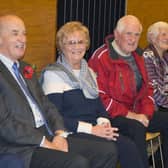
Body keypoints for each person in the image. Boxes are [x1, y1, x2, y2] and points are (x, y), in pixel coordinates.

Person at [0, 14, 118, 168]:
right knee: (77, 163)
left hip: (48, 133)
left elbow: (47, 106)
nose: (23, 39)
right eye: (15, 33)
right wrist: (44, 142)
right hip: (23, 146)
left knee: (107, 150)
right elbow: (5, 124)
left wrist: (59, 133)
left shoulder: (24, 68)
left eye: (24, 33)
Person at [40, 21, 144, 168]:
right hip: (71, 132)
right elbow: (56, 118)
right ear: (61, 47)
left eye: (80, 42)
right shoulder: (53, 74)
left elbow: (99, 107)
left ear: (86, 44)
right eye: (71, 43)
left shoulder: (88, 72)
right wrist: (92, 130)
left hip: (94, 128)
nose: (77, 47)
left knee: (128, 146)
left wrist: (104, 124)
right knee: (112, 149)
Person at [88, 15, 168, 168]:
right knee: (136, 128)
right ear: (117, 34)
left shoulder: (138, 55)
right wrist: (133, 116)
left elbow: (148, 90)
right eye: (128, 34)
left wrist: (145, 113)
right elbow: (100, 98)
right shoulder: (101, 58)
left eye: (137, 34)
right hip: (111, 116)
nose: (133, 39)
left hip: (137, 112)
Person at [143, 21, 168, 110]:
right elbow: (153, 90)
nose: (167, 38)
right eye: (164, 34)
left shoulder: (165, 57)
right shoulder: (147, 56)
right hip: (155, 106)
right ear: (153, 38)